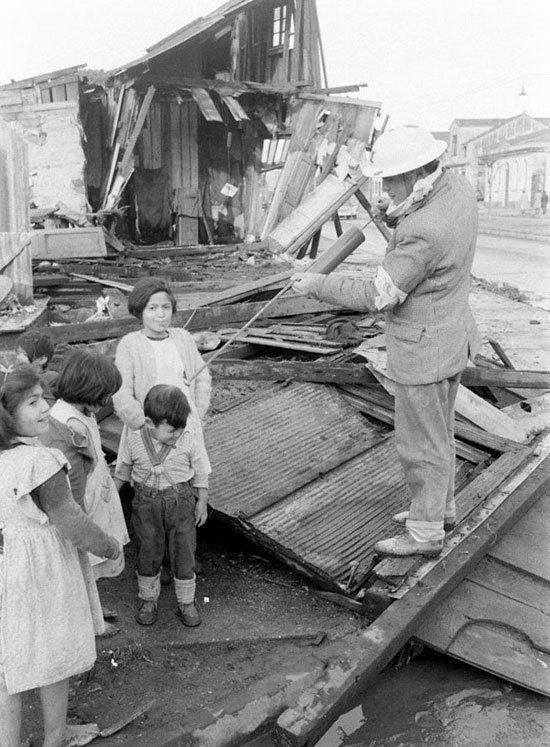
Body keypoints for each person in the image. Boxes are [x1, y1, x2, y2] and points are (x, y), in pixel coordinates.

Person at [292, 125, 481, 558]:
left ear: (416, 174)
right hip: (453, 335)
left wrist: (317, 284)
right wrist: (392, 211)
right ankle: (438, 509)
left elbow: (377, 295)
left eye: (390, 180)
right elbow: (419, 220)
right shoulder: (455, 189)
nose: (387, 187)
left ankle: (424, 534)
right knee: (440, 434)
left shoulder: (426, 230)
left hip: (424, 347)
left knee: (420, 442)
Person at [0, 365, 121, 747]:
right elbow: (70, 519)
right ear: (6, 412)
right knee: (53, 653)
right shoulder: (42, 461)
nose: (45, 408)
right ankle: (56, 737)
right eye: (33, 402)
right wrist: (109, 546)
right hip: (43, 572)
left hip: (7, 569)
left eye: (45, 399)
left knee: (8, 663)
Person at [114, 385, 210, 627]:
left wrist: (202, 503)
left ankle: (186, 602)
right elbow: (123, 471)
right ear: (149, 423)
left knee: (184, 550)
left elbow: (200, 472)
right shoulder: (134, 439)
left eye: (181, 430)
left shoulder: (188, 438)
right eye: (171, 431)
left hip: (181, 503)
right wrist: (110, 499)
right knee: (148, 550)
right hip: (146, 506)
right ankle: (148, 599)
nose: (177, 435)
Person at [43, 351, 130, 585]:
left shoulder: (82, 412)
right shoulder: (69, 427)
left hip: (98, 495)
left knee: (94, 570)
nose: (107, 399)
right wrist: (82, 521)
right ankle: (90, 612)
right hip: (86, 503)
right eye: (105, 394)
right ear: (88, 390)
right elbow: (75, 483)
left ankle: (95, 605)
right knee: (84, 565)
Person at [112, 277, 212, 431]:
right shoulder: (129, 345)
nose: (161, 314)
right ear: (140, 311)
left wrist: (197, 413)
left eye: (166, 307)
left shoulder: (183, 337)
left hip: (186, 424)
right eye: (152, 308)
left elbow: (202, 377)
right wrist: (141, 423)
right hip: (148, 427)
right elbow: (121, 390)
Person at [15, 330, 58, 404]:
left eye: (24, 354)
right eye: (18, 353)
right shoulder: (19, 377)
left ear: (42, 360)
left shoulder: (50, 378)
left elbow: (49, 408)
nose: (19, 357)